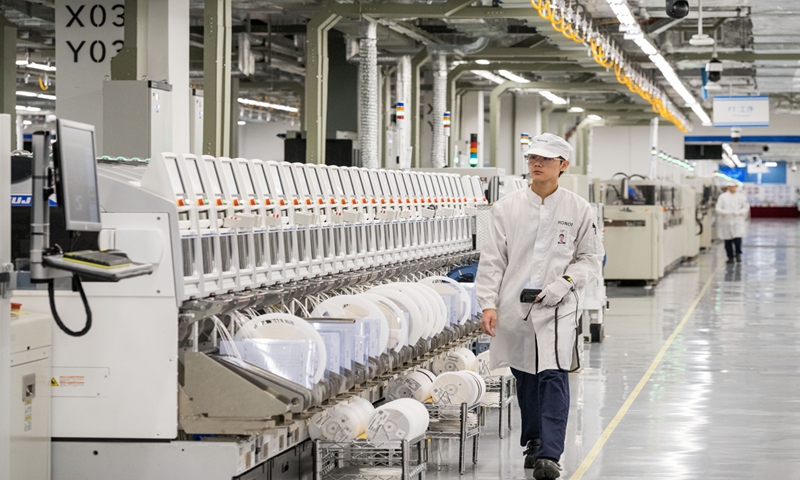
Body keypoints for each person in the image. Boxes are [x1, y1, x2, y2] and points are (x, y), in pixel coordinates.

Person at [475, 133, 604, 479]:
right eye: (533, 158)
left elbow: (591, 258)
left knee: (554, 373)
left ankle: (550, 453)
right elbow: (492, 260)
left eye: (545, 159)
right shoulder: (506, 208)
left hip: (559, 306)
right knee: (525, 375)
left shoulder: (578, 209)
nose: (537, 164)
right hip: (515, 304)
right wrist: (487, 303)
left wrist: (566, 282)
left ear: (563, 165)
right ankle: (533, 440)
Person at [715, 183, 750, 263]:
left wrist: (739, 212)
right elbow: (718, 208)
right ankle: (730, 257)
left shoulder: (741, 196)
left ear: (736, 187)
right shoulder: (723, 197)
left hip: (737, 220)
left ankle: (738, 254)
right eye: (729, 186)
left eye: (733, 186)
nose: (731, 188)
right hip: (726, 221)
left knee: (737, 239)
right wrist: (724, 212)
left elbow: (746, 207)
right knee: (727, 241)